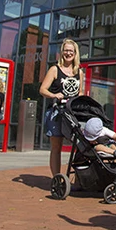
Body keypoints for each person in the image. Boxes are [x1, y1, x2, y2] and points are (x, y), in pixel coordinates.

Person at [39, 39, 85, 182]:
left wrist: (81, 98)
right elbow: (42, 90)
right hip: (56, 112)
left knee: (81, 144)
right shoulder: (55, 70)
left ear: (75, 53)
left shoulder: (79, 72)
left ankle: (79, 177)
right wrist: (54, 95)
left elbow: (81, 91)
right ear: (61, 52)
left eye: (71, 50)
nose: (68, 53)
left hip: (72, 112)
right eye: (66, 50)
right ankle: (57, 179)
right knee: (56, 145)